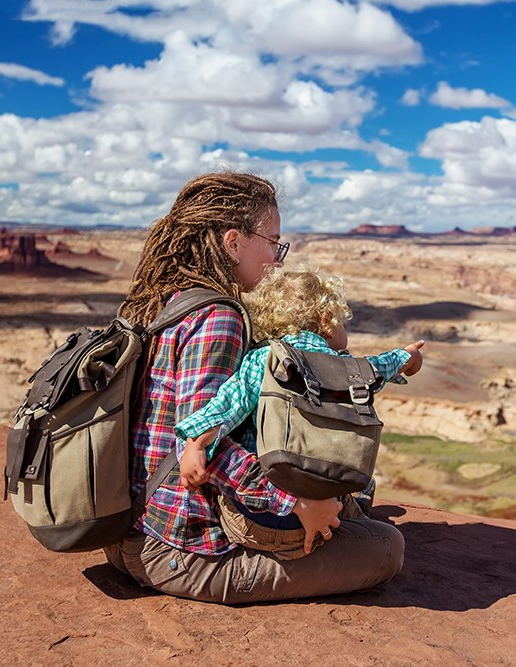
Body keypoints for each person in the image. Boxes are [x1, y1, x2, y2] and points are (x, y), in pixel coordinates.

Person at [103, 172, 406, 604]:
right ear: (234, 242)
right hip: (182, 550)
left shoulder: (169, 299)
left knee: (355, 500)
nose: (278, 257)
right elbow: (203, 442)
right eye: (274, 240)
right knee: (386, 548)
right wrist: (295, 506)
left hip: (136, 530)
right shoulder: (218, 318)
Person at [175, 266, 425, 498]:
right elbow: (380, 366)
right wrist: (409, 356)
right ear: (327, 320)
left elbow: (230, 404)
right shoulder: (345, 367)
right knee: (371, 502)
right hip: (327, 482)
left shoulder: (266, 358)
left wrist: (196, 443)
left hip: (274, 491)